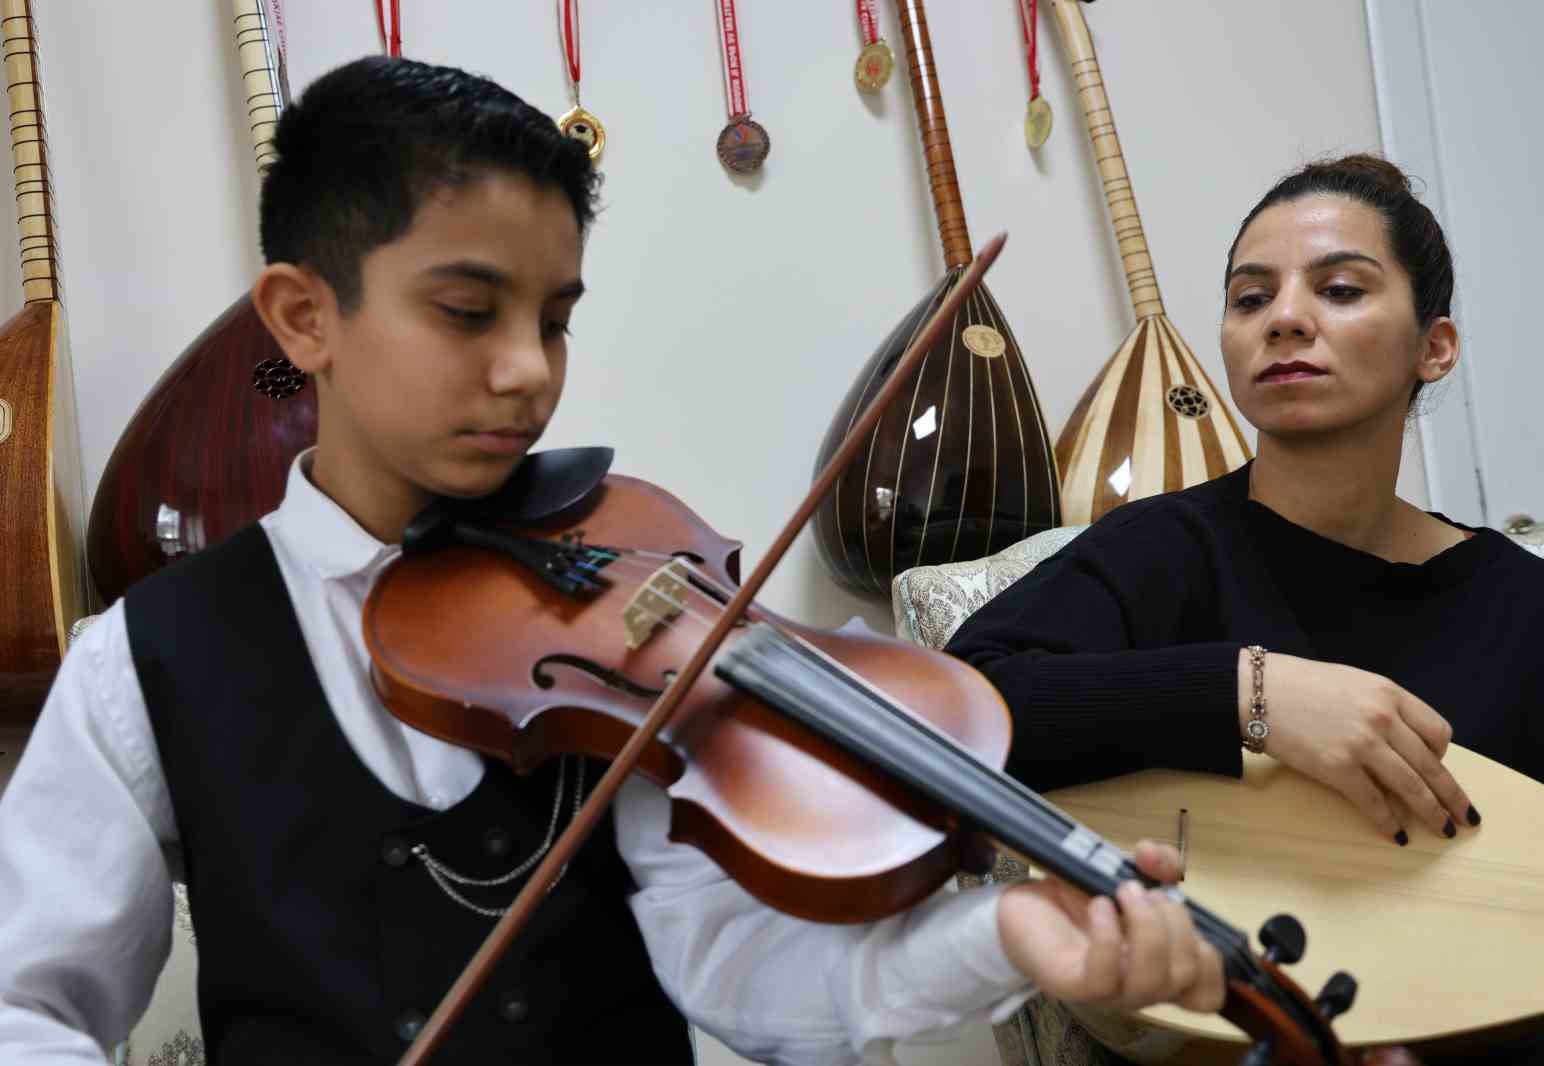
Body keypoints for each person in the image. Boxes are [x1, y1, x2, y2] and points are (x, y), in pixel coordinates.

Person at [0, 57, 1224, 1065]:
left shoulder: (622, 608)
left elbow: (734, 970)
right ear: (304, 316)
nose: (530, 369)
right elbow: (24, 1007)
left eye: (557, 316)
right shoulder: (142, 662)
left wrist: (1009, 934)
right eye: (468, 312)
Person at [946, 153, 1544, 1063]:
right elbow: (955, 708)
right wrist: (1254, 695)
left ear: (1434, 346)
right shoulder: (1163, 549)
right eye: (1251, 299)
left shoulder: (1524, 600)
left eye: (1338, 289)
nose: (1285, 318)